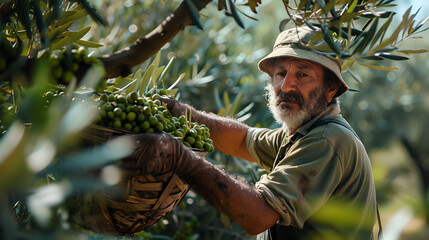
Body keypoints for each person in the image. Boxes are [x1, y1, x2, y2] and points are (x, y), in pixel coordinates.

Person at [134, 26, 377, 239]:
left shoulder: (327, 140)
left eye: (302, 75)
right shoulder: (298, 135)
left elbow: (259, 216)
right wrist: (184, 115)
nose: (286, 86)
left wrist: (183, 160)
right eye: (281, 73)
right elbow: (243, 140)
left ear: (331, 89)